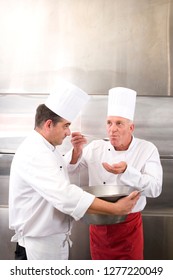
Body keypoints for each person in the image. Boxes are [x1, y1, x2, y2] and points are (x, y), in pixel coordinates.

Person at [9, 81, 140, 260]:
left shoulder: (46, 148)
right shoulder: (35, 152)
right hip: (38, 247)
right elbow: (65, 194)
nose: (69, 132)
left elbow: (57, 173)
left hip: (51, 241)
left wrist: (76, 153)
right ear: (49, 124)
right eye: (65, 125)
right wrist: (114, 209)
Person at [67, 87, 163, 260]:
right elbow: (70, 169)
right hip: (98, 223)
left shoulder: (147, 149)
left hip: (128, 226)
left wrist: (127, 171)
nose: (112, 129)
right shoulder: (96, 147)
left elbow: (155, 189)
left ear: (131, 127)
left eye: (119, 123)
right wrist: (76, 151)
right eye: (109, 123)